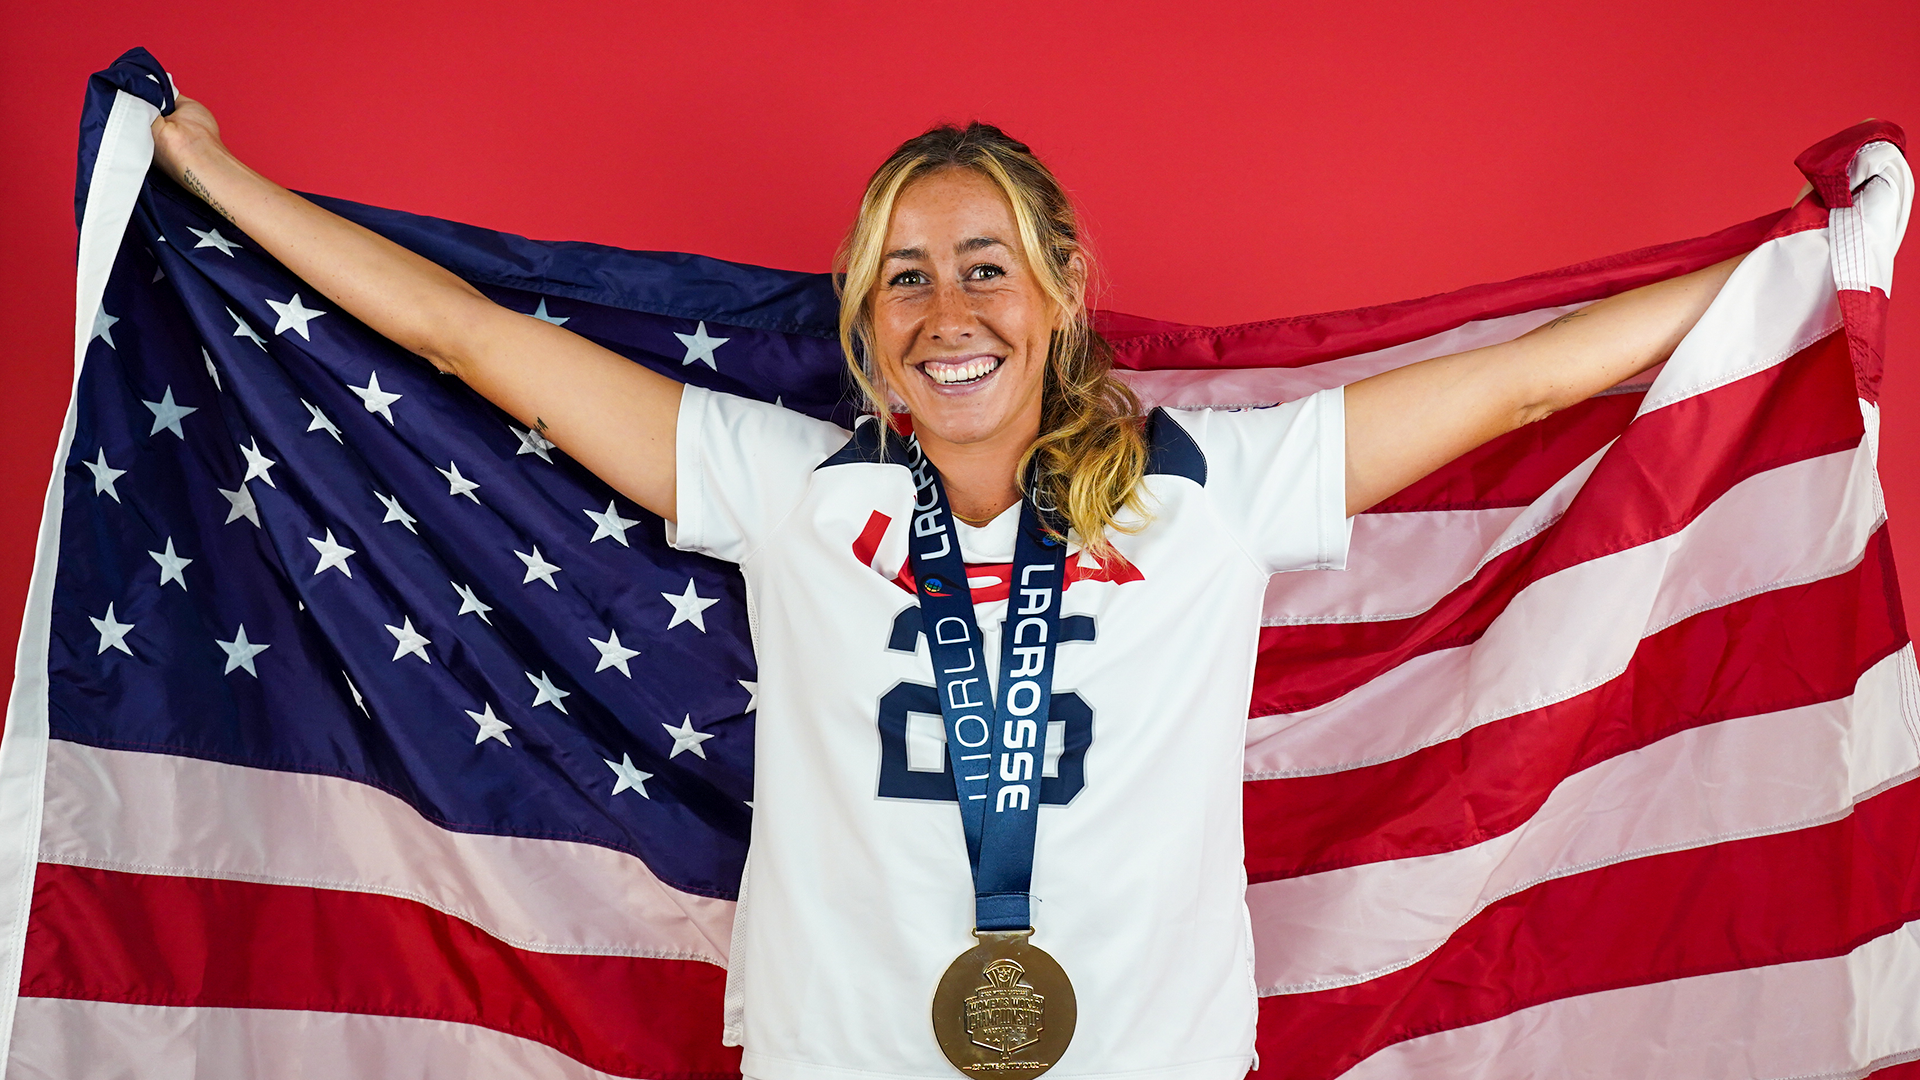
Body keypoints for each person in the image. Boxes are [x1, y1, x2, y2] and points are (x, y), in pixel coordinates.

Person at [149, 106, 1743, 1080]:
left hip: (1147, 1061)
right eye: (902, 275)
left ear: (1057, 292)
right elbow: (473, 345)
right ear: (863, 320)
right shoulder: (793, 489)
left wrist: (1791, 269)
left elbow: (1526, 387)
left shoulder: (1213, 488)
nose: (946, 306)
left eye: (984, 263)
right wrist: (211, 176)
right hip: (842, 1058)